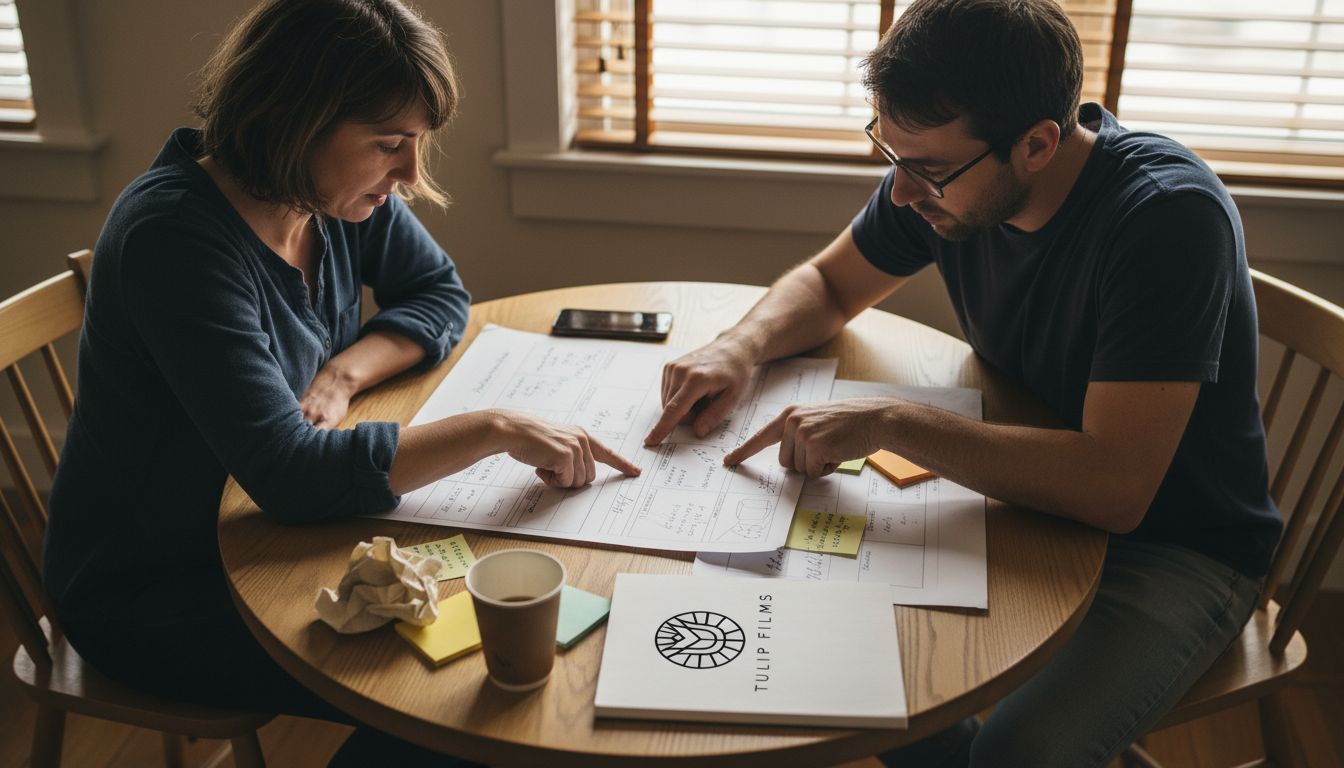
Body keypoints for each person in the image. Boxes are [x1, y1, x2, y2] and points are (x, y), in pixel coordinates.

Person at [644, 0, 1281, 765]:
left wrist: (891, 422)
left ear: (1037, 145)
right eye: (891, 155)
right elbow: (830, 285)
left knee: (1018, 751)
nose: (905, 195)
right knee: (856, 666)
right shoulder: (950, 176)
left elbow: (1116, 487)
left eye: (929, 171)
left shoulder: (1167, 219)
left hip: (1176, 547)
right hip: (1023, 497)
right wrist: (738, 347)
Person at [43, 0, 637, 763]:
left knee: (516, 638)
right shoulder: (174, 239)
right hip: (161, 583)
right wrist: (493, 429)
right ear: (295, 120)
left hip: (278, 534)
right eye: (390, 144)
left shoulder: (332, 195)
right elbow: (290, 475)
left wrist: (342, 371)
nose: (411, 175)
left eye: (417, 144)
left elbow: (437, 294)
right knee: (466, 695)